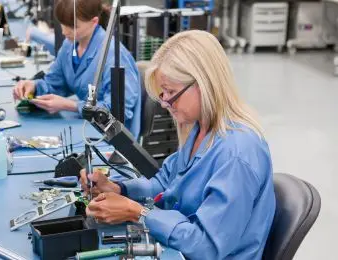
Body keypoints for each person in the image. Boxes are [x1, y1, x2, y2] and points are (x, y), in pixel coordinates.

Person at [80, 30, 276, 260]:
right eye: (162, 93)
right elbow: (166, 183)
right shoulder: (200, 128)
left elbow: (206, 246)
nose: (164, 103)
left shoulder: (238, 154)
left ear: (204, 84)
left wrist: (138, 213)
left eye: (171, 92)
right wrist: (120, 190)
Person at [13, 0, 142, 138]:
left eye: (73, 26)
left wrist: (71, 106)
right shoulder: (70, 45)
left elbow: (119, 112)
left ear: (94, 22)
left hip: (112, 139)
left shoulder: (114, 56)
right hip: (85, 127)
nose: (64, 31)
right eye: (63, 23)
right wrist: (34, 86)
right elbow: (56, 82)